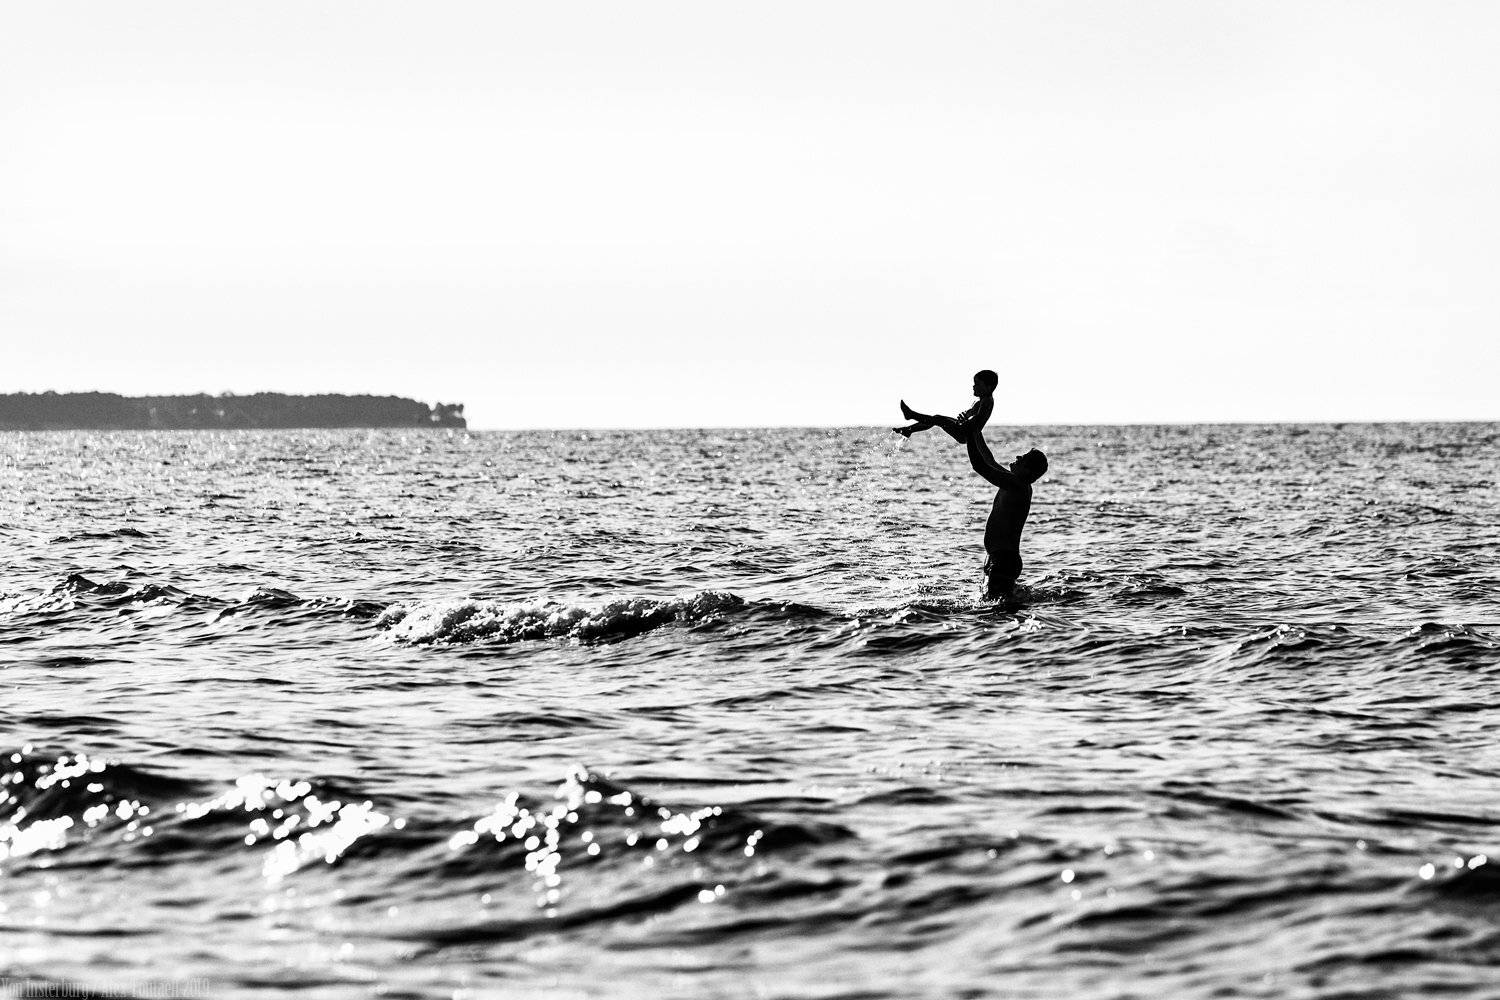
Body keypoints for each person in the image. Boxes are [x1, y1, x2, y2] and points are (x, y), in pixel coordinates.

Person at [964, 427, 1047, 602]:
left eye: (1022, 459)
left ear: (1028, 472)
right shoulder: (1012, 481)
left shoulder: (1018, 486)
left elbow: (979, 465)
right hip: (998, 558)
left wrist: (968, 434)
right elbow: (988, 459)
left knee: (996, 612)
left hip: (1003, 560)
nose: (1017, 457)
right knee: (996, 607)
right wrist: (975, 430)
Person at [894, 370, 997, 440]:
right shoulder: (981, 401)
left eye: (977, 384)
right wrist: (964, 418)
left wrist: (964, 422)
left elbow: (977, 420)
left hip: (966, 433)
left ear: (988, 387)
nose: (973, 386)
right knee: (936, 418)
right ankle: (909, 430)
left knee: (938, 419)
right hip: (965, 430)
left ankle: (911, 415)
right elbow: (971, 414)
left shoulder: (987, 401)